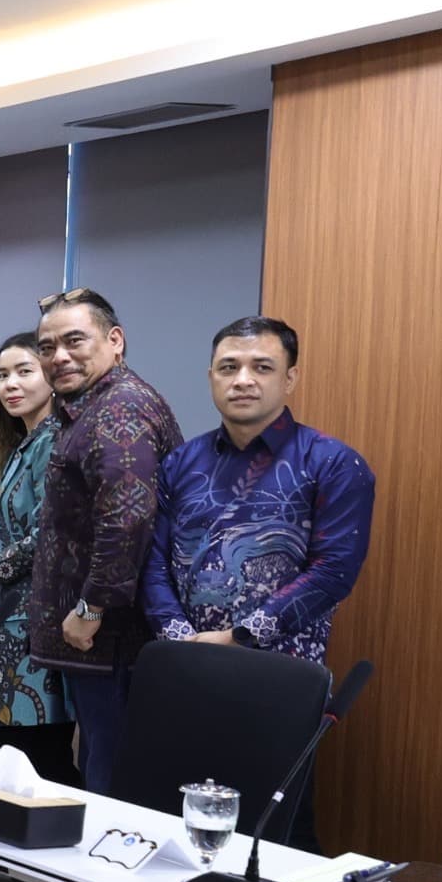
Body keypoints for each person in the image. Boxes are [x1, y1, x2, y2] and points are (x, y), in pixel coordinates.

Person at [144, 316, 374, 844]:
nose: (243, 379)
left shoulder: (334, 464)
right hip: (185, 669)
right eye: (229, 367)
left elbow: (334, 572)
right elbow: (152, 562)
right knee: (173, 813)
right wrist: (183, 641)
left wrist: (237, 638)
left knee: (275, 828)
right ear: (210, 378)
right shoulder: (181, 462)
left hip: (279, 679)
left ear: (289, 379)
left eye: (261, 367)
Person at [28, 288, 183, 795]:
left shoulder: (119, 409)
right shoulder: (91, 407)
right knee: (97, 764)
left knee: (112, 784)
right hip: (98, 640)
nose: (60, 357)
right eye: (47, 347)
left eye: (75, 341)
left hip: (111, 635)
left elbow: (127, 517)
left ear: (115, 341)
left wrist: (92, 605)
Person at [0, 334, 77, 791]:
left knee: (35, 757)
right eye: (2, 375)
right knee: (2, 750)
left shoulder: (56, 439)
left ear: (52, 377)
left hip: (36, 622)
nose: (10, 384)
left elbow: (52, 534)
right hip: (7, 622)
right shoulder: (25, 440)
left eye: (24, 371)